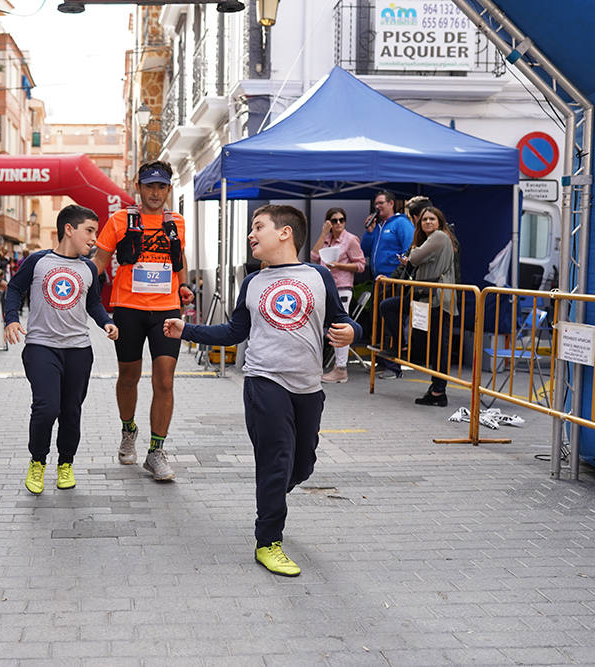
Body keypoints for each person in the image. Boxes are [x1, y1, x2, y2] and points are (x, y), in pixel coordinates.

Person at [163, 204, 361, 576]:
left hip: (307, 387)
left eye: (258, 227)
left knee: (302, 466)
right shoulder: (253, 282)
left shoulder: (319, 276)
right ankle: (268, 541)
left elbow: (342, 320)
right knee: (275, 462)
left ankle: (276, 493)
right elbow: (235, 332)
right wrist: (186, 330)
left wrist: (352, 332)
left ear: (285, 233)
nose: (251, 235)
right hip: (263, 382)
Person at [3, 205, 118, 494]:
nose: (94, 238)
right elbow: (14, 288)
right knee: (46, 408)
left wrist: (106, 322)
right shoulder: (38, 261)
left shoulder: (90, 268)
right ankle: (37, 461)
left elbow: (93, 303)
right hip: (41, 347)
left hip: (78, 350)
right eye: (89, 231)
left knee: (71, 411)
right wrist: (11, 319)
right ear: (69, 229)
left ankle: (65, 463)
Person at [93, 161, 194, 481]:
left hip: (166, 310)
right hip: (128, 308)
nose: (155, 192)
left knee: (164, 379)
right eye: (149, 186)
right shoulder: (120, 219)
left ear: (168, 189)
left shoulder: (176, 221)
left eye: (161, 186)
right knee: (128, 377)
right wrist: (71, 281)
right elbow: (99, 261)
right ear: (138, 187)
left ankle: (156, 451)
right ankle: (128, 430)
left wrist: (184, 285)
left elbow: (179, 260)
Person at [387, 205, 460, 407]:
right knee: (389, 307)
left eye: (432, 219)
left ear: (439, 222)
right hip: (425, 298)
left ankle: (438, 391)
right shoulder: (432, 239)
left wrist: (412, 255)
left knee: (439, 347)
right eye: (425, 220)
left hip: (438, 299)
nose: (428, 222)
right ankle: (402, 347)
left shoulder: (438, 236)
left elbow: (416, 257)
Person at [361, 191, 414, 379]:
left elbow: (409, 250)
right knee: (378, 322)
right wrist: (369, 232)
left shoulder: (401, 224)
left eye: (381, 203)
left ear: (391, 203)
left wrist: (397, 274)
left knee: (390, 323)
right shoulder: (378, 226)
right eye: (376, 204)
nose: (378, 207)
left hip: (393, 281)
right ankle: (381, 361)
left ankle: (394, 366)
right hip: (378, 280)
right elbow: (365, 250)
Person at [310, 207, 365, 384]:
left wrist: (339, 265)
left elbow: (361, 265)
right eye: (334, 220)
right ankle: (330, 366)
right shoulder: (326, 239)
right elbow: (313, 257)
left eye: (341, 220)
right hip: (324, 288)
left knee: (340, 327)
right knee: (325, 327)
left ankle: (341, 368)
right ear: (328, 222)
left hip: (342, 287)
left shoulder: (350, 240)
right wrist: (323, 233)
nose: (339, 223)